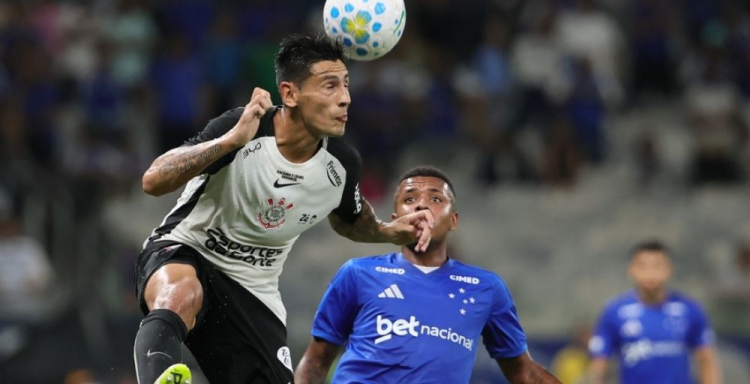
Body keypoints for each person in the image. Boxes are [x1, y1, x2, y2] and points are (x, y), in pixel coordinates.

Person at [133, 34, 434, 384]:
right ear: (290, 94)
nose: (345, 98)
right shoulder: (245, 127)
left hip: (253, 288)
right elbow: (153, 180)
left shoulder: (341, 164)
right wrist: (230, 141)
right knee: (180, 295)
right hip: (187, 250)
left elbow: (350, 220)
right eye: (330, 86)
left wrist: (389, 232)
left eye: (346, 85)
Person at [294, 166, 562, 384]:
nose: (422, 205)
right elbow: (316, 361)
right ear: (396, 217)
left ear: (453, 220)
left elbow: (524, 372)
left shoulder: (486, 288)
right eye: (409, 199)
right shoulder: (357, 274)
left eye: (435, 199)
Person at [588, 240, 722, 384]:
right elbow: (600, 365)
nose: (650, 273)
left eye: (657, 266)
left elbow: (706, 360)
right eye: (642, 266)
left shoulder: (690, 309)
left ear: (669, 270)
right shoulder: (614, 311)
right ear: (631, 269)